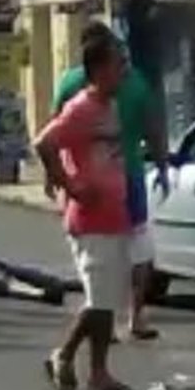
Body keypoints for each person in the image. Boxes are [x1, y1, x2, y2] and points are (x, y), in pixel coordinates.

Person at [51, 22, 168, 340]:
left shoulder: (76, 84)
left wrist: (59, 179)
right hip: (116, 182)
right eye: (117, 61)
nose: (122, 68)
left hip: (96, 184)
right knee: (135, 250)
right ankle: (131, 316)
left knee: (100, 261)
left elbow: (54, 129)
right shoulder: (128, 85)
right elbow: (153, 127)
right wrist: (162, 164)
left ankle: (98, 323)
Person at [36, 36, 136, 390]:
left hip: (115, 213)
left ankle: (99, 373)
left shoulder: (112, 107)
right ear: (97, 70)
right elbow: (44, 144)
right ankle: (62, 354)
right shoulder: (80, 109)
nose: (123, 71)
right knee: (97, 298)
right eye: (116, 64)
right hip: (89, 218)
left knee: (106, 298)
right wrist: (71, 186)